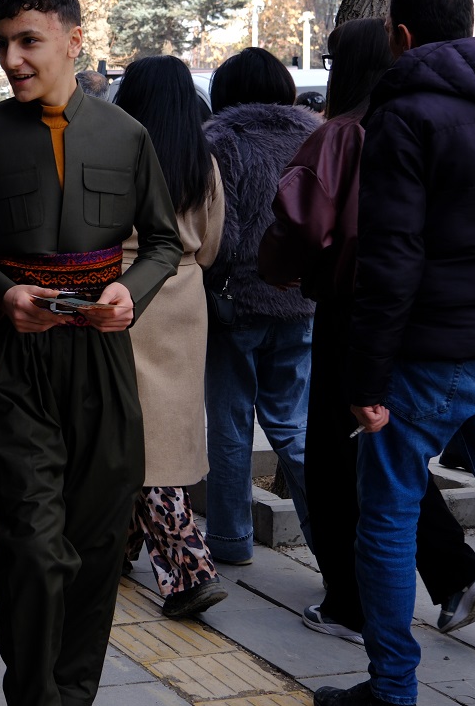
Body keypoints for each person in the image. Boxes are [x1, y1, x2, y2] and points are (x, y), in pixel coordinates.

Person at [314, 0, 475, 706]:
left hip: (425, 364)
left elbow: (391, 259)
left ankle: (393, 691)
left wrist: (363, 380)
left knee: (388, 525)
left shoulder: (404, 117)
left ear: (400, 36)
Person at [0, 0, 181, 706]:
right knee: (33, 550)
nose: (12, 58)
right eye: (4, 42)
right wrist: (3, 293)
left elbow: (167, 243)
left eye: (29, 41)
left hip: (105, 362)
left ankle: (72, 694)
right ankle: (34, 695)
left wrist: (128, 295)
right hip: (19, 365)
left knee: (98, 545)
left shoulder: (128, 134)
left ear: (74, 41)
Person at [260, 18, 475, 647]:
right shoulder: (440, 124)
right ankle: (455, 574)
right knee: (389, 449)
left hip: (354, 309)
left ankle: (354, 602)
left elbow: (302, 223)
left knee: (342, 460)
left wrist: (280, 272)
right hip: (432, 309)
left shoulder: (344, 132)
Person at [115, 56, 228, 618]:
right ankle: (116, 548)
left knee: (138, 438)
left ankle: (189, 572)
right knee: (166, 434)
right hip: (184, 300)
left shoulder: (114, 154)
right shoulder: (200, 159)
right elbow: (208, 245)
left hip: (123, 295)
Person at [201, 47, 319, 565]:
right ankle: (330, 545)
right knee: (294, 425)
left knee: (229, 426)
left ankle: (230, 541)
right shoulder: (317, 135)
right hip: (302, 299)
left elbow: (215, 233)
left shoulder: (219, 141)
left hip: (234, 306)